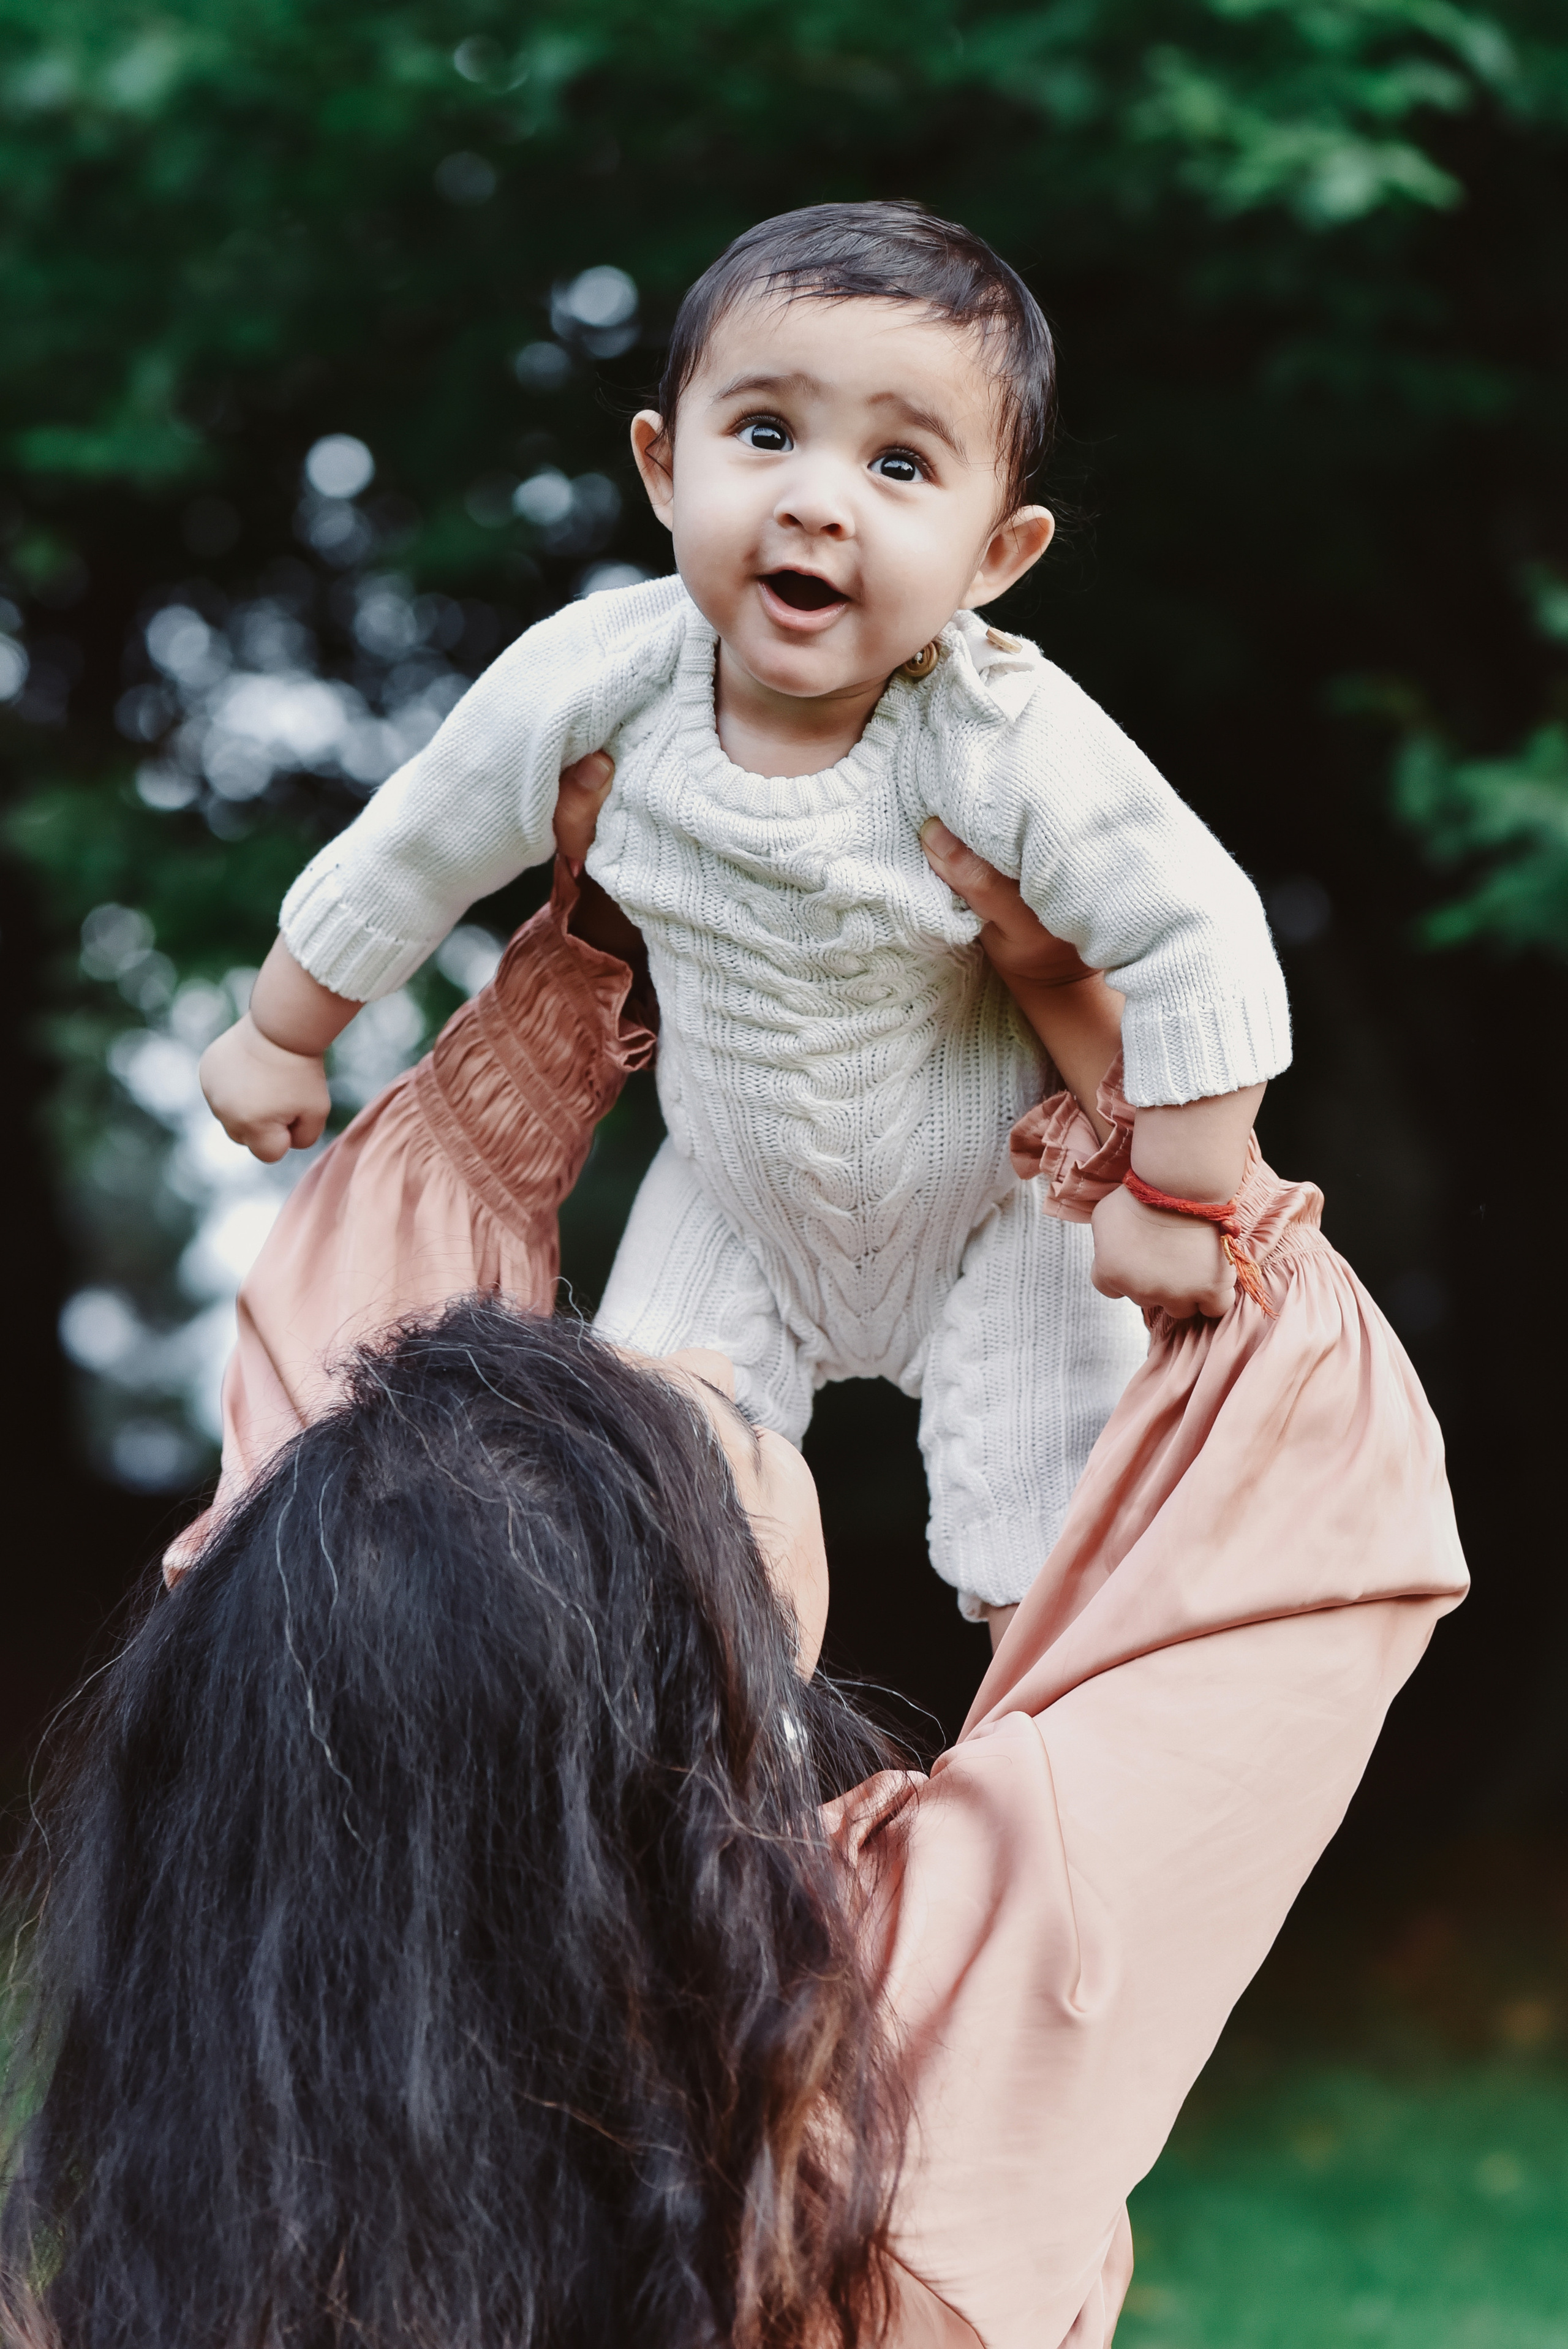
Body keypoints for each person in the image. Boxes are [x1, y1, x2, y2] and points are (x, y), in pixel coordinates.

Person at [2, 845, 1466, 2349]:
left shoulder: (206, 2078)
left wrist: (591, 949)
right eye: (725, 1428)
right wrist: (1114, 1064)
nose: (705, 1356)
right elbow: (1306, 1528)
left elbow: (353, 1509)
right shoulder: (872, 2077)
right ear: (703, 1685)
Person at [195, 199, 1294, 1623]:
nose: (817, 501)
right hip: (729, 1201)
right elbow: (420, 839)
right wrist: (283, 1031)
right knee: (645, 1516)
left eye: (898, 464)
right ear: (664, 467)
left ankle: (1046, 1733)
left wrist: (1178, 1195)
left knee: (1062, 1548)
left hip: (996, 1204)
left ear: (994, 556)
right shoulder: (600, 675)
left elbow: (1200, 932)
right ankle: (721, 1739)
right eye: (766, 432)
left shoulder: (1001, 735)